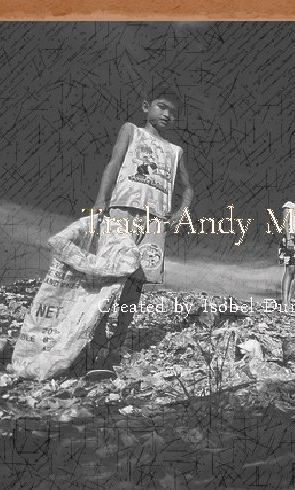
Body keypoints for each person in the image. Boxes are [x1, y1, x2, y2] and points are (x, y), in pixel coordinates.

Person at [90, 89, 194, 368]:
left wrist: (181, 213)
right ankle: (95, 338)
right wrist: (101, 200)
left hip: (155, 220)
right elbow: (114, 163)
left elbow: (187, 188)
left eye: (173, 112)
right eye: (162, 107)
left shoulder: (175, 151)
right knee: (110, 274)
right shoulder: (131, 131)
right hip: (123, 209)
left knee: (136, 281)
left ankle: (117, 342)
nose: (167, 115)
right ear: (147, 107)